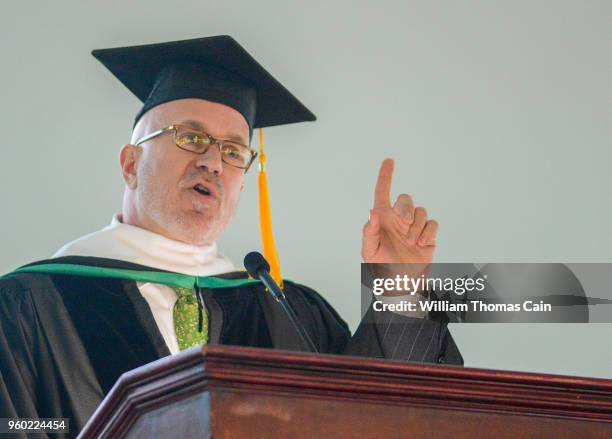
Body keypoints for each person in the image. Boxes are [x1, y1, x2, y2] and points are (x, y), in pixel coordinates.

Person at [0, 35, 462, 436]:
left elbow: (377, 418)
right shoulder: (28, 307)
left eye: (234, 150)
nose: (213, 162)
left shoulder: (287, 312)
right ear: (130, 164)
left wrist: (400, 288)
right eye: (190, 138)